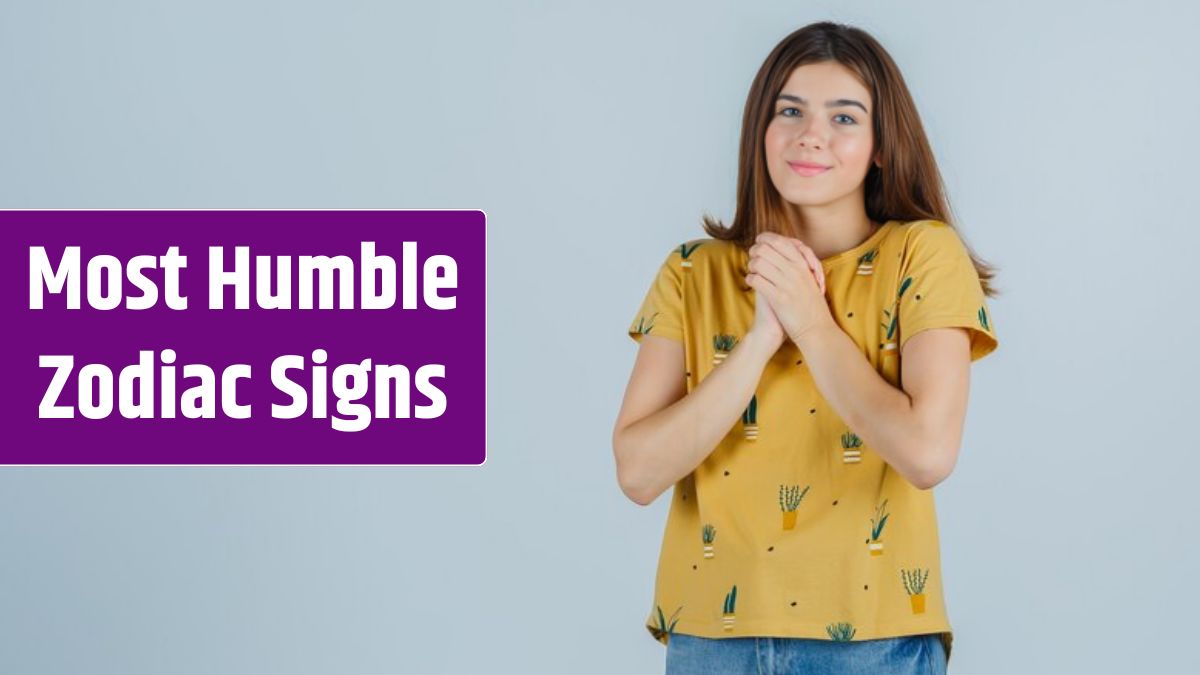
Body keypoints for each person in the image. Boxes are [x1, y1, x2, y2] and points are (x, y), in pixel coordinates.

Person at [612, 21, 1000, 674]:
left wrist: (811, 322)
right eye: (788, 110)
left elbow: (928, 452)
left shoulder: (924, 254)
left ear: (881, 145)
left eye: (844, 116)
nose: (810, 134)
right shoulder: (692, 272)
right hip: (710, 637)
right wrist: (762, 336)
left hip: (872, 641)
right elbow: (637, 470)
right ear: (760, 129)